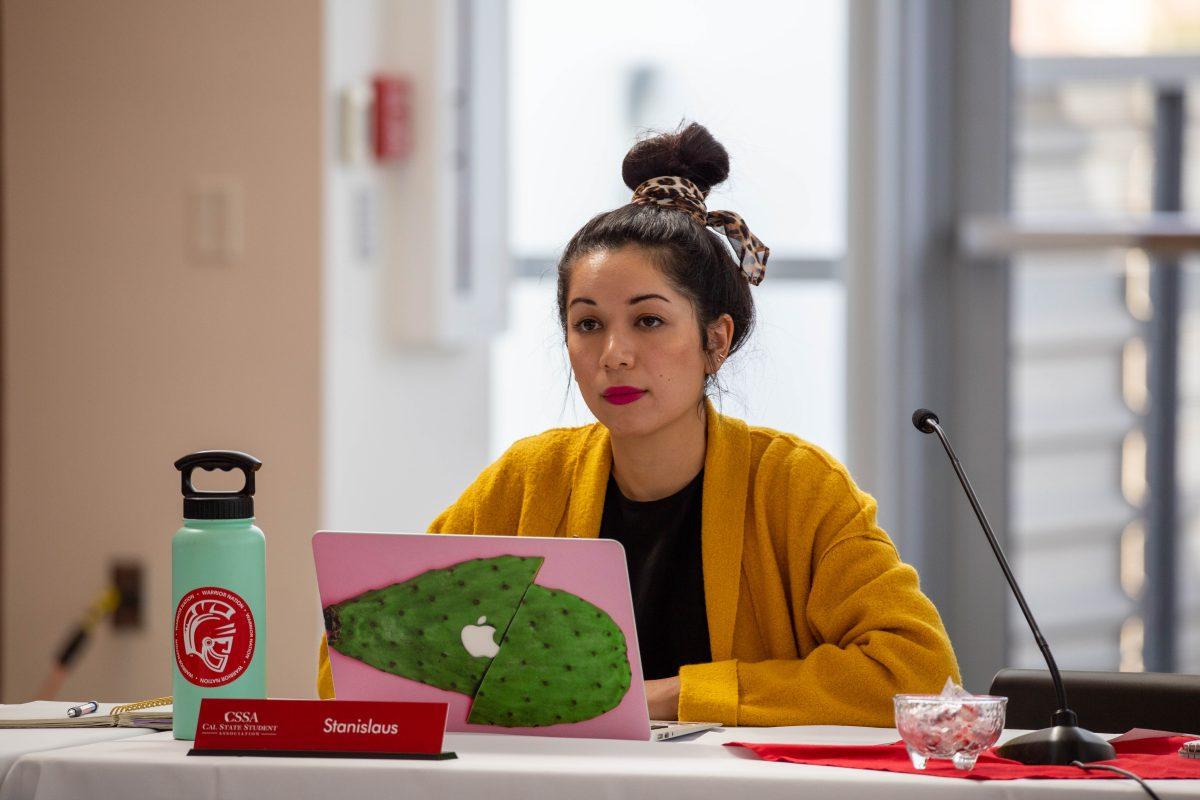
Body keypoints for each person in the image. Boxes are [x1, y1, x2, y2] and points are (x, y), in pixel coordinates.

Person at [317, 122, 959, 726]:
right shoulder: (528, 478)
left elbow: (918, 673)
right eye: (587, 323)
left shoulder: (796, 486)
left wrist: (674, 696)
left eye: (648, 321)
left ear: (715, 340)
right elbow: (351, 657)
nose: (614, 353)